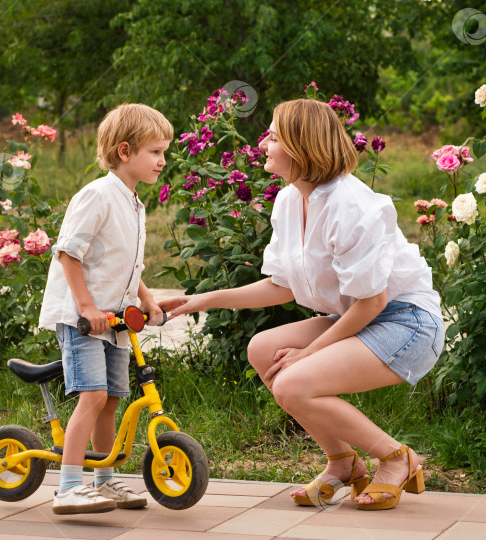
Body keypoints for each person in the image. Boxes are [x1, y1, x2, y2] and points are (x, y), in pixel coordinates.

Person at [159, 99, 445, 511]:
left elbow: (372, 302)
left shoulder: (351, 205)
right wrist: (201, 299)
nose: (263, 144)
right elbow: (282, 286)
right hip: (359, 317)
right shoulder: (290, 200)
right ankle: (343, 462)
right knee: (262, 349)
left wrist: (308, 354)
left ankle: (396, 458)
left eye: (273, 136)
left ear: (300, 146)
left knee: (293, 381)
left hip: (408, 323)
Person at [39, 103, 172, 514]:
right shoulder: (98, 195)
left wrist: (146, 298)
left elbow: (124, 263)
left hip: (113, 321)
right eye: (155, 152)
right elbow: (69, 253)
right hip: (83, 320)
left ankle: (104, 480)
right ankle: (68, 486)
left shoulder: (134, 203)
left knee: (112, 398)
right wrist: (86, 306)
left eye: (165, 152)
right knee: (93, 395)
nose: (163, 161)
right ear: (125, 151)